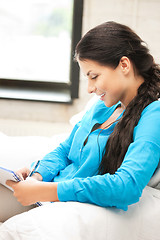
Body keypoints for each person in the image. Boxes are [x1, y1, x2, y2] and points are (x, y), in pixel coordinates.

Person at [0, 21, 160, 239]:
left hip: (60, 202)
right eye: (87, 78)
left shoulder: (153, 114)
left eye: (94, 76)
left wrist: (47, 191)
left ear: (124, 65)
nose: (90, 88)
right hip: (46, 194)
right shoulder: (105, 106)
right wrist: (37, 177)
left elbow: (127, 186)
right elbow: (66, 149)